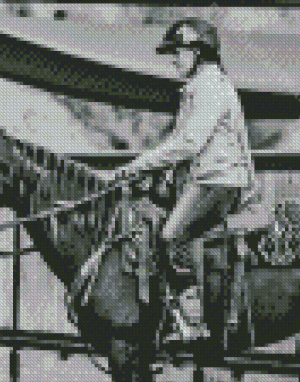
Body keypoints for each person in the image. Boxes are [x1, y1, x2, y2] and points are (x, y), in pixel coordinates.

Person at [101, 18, 256, 342]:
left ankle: (195, 322)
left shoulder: (209, 87)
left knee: (172, 234)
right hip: (209, 178)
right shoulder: (199, 87)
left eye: (178, 52)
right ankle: (163, 311)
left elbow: (189, 143)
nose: (173, 59)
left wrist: (135, 166)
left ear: (198, 52)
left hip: (218, 181)